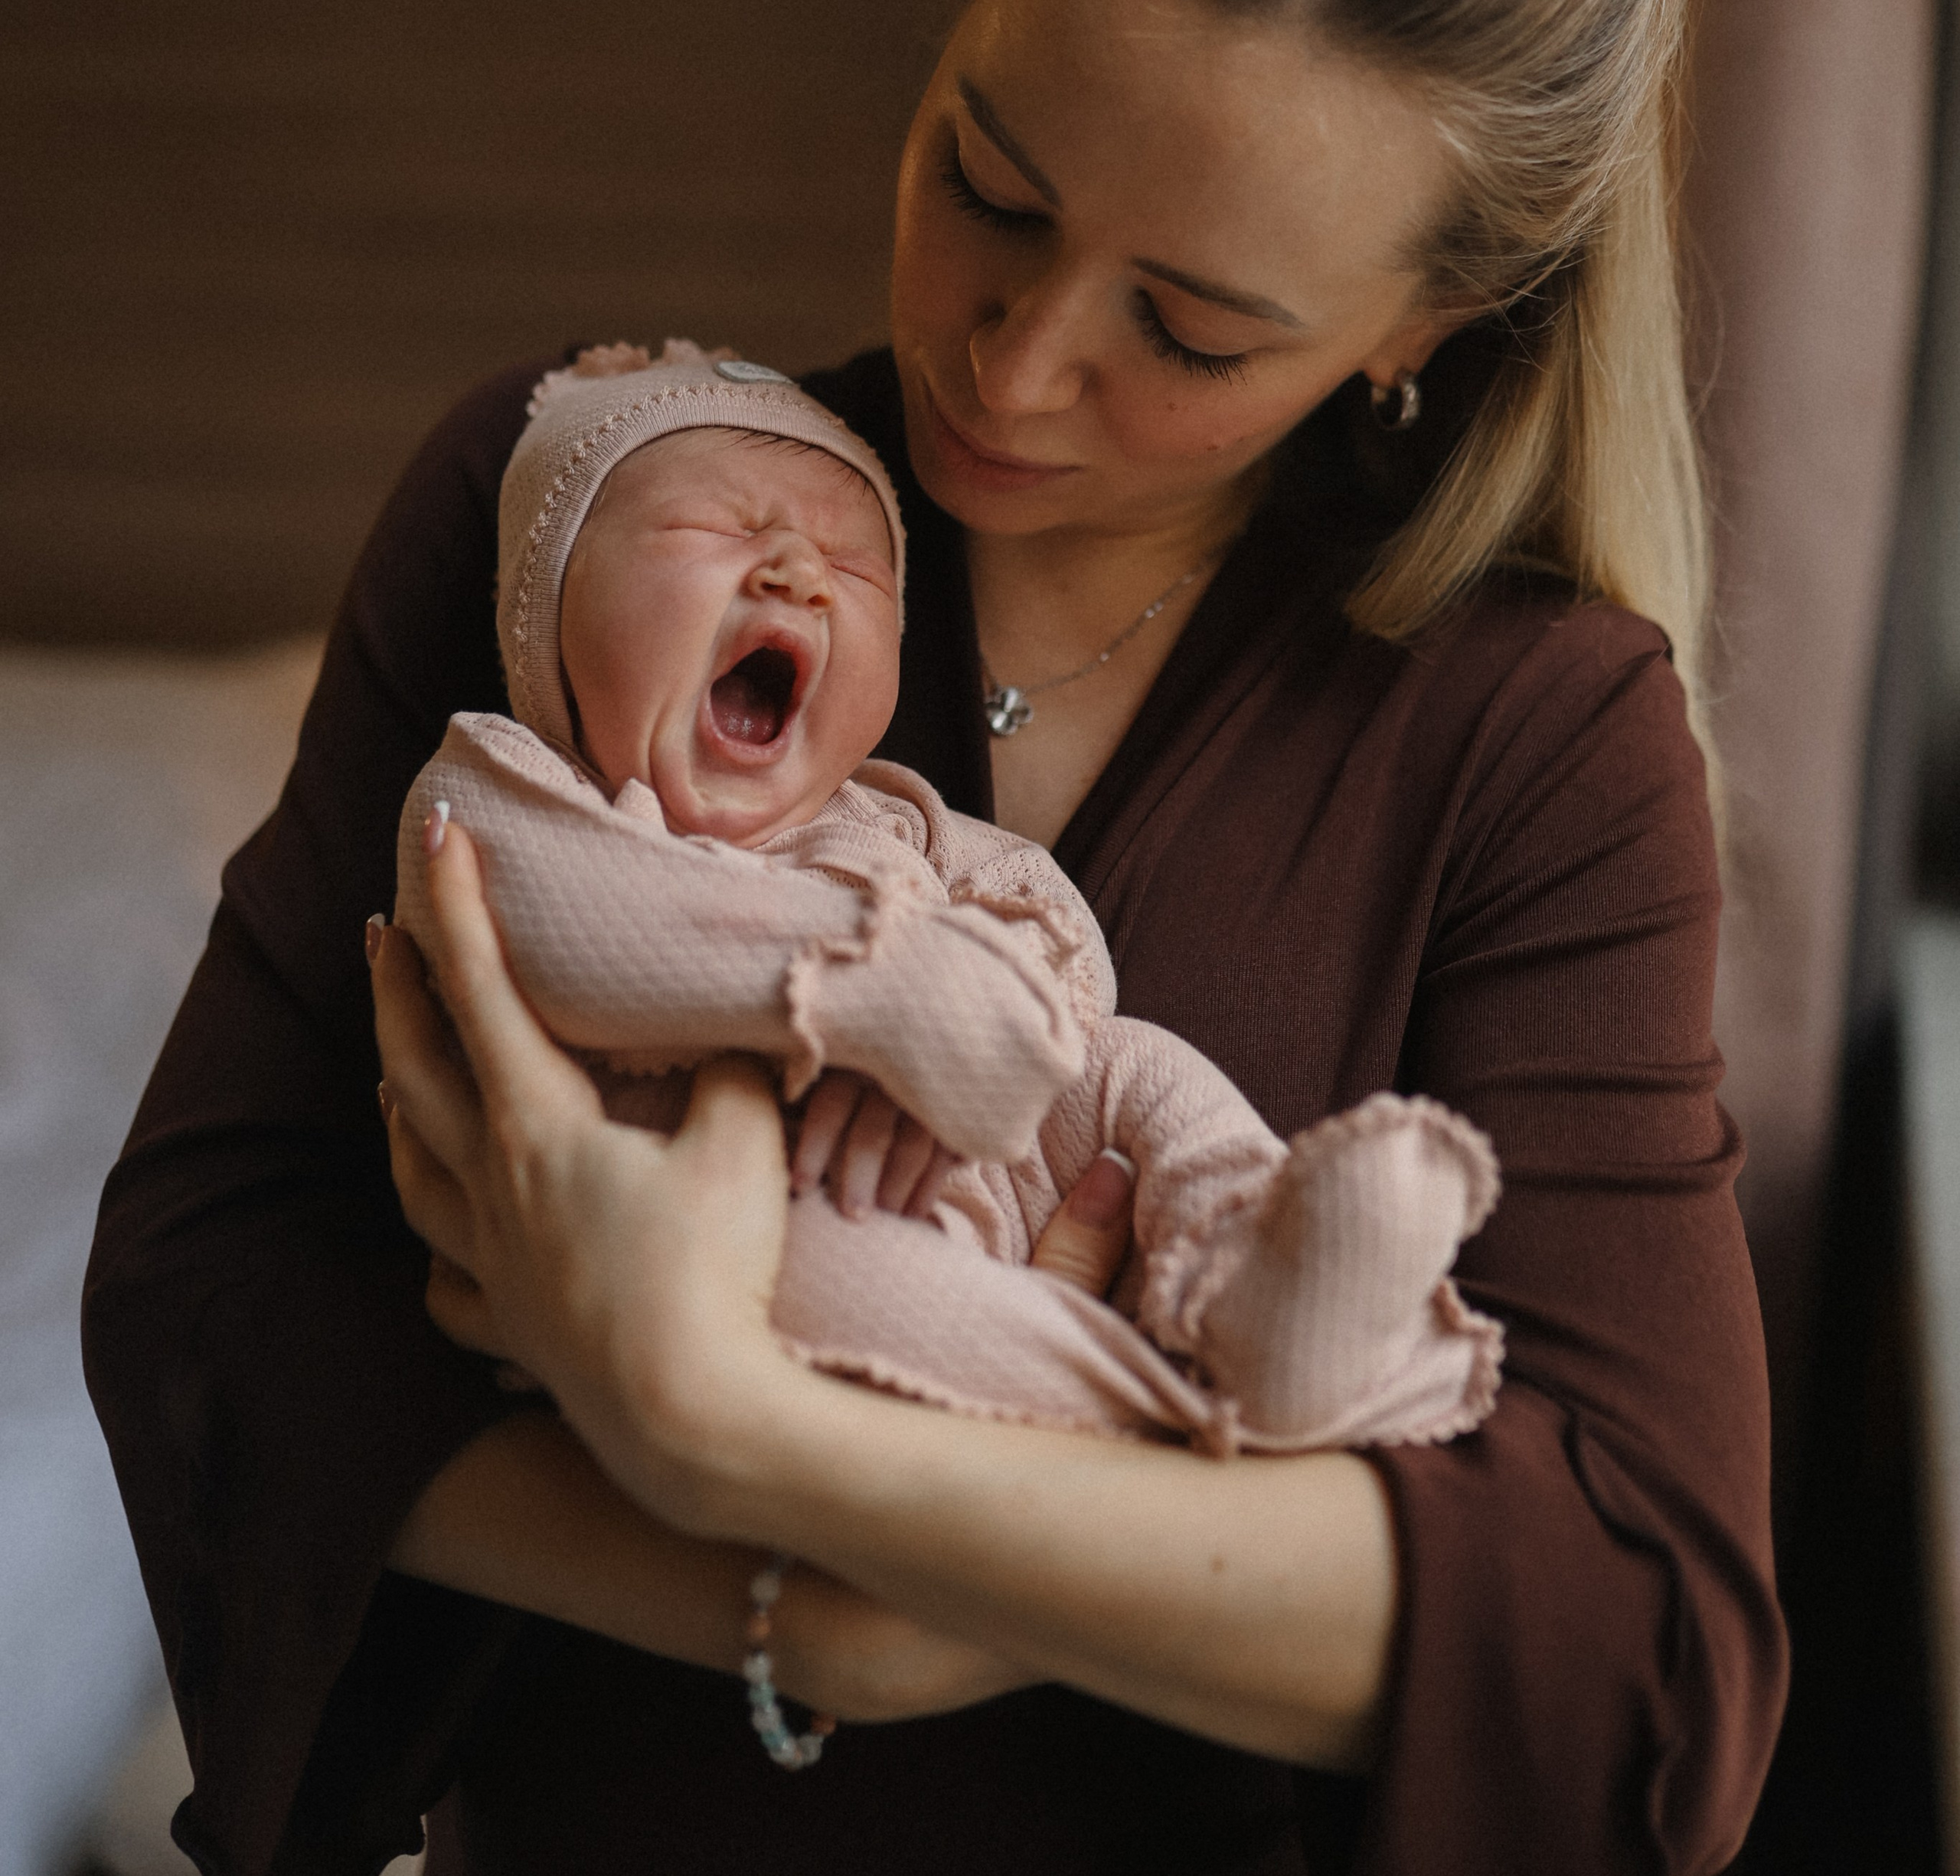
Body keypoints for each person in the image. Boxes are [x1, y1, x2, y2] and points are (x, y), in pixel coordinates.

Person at [83, 0, 1788, 1876]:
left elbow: (1645, 1642)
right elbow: (218, 1271)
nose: (1013, 356)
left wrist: (726, 1433)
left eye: (1193, 328)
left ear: (1425, 330)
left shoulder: (1537, 744)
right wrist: (787, 1614)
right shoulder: (605, 516)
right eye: (987, 174)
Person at [397, 337, 1504, 1463]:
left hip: (979, 1164)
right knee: (854, 1281)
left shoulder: (885, 818)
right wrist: (900, 992)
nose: (794, 569)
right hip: (728, 1227)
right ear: (544, 604)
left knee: (1135, 1069)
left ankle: (1253, 1265)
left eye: (855, 564)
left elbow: (1046, 926)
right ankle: (1173, 1413)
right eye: (713, 529)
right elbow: (574, 936)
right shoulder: (505, 791)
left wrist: (1026, 1001)